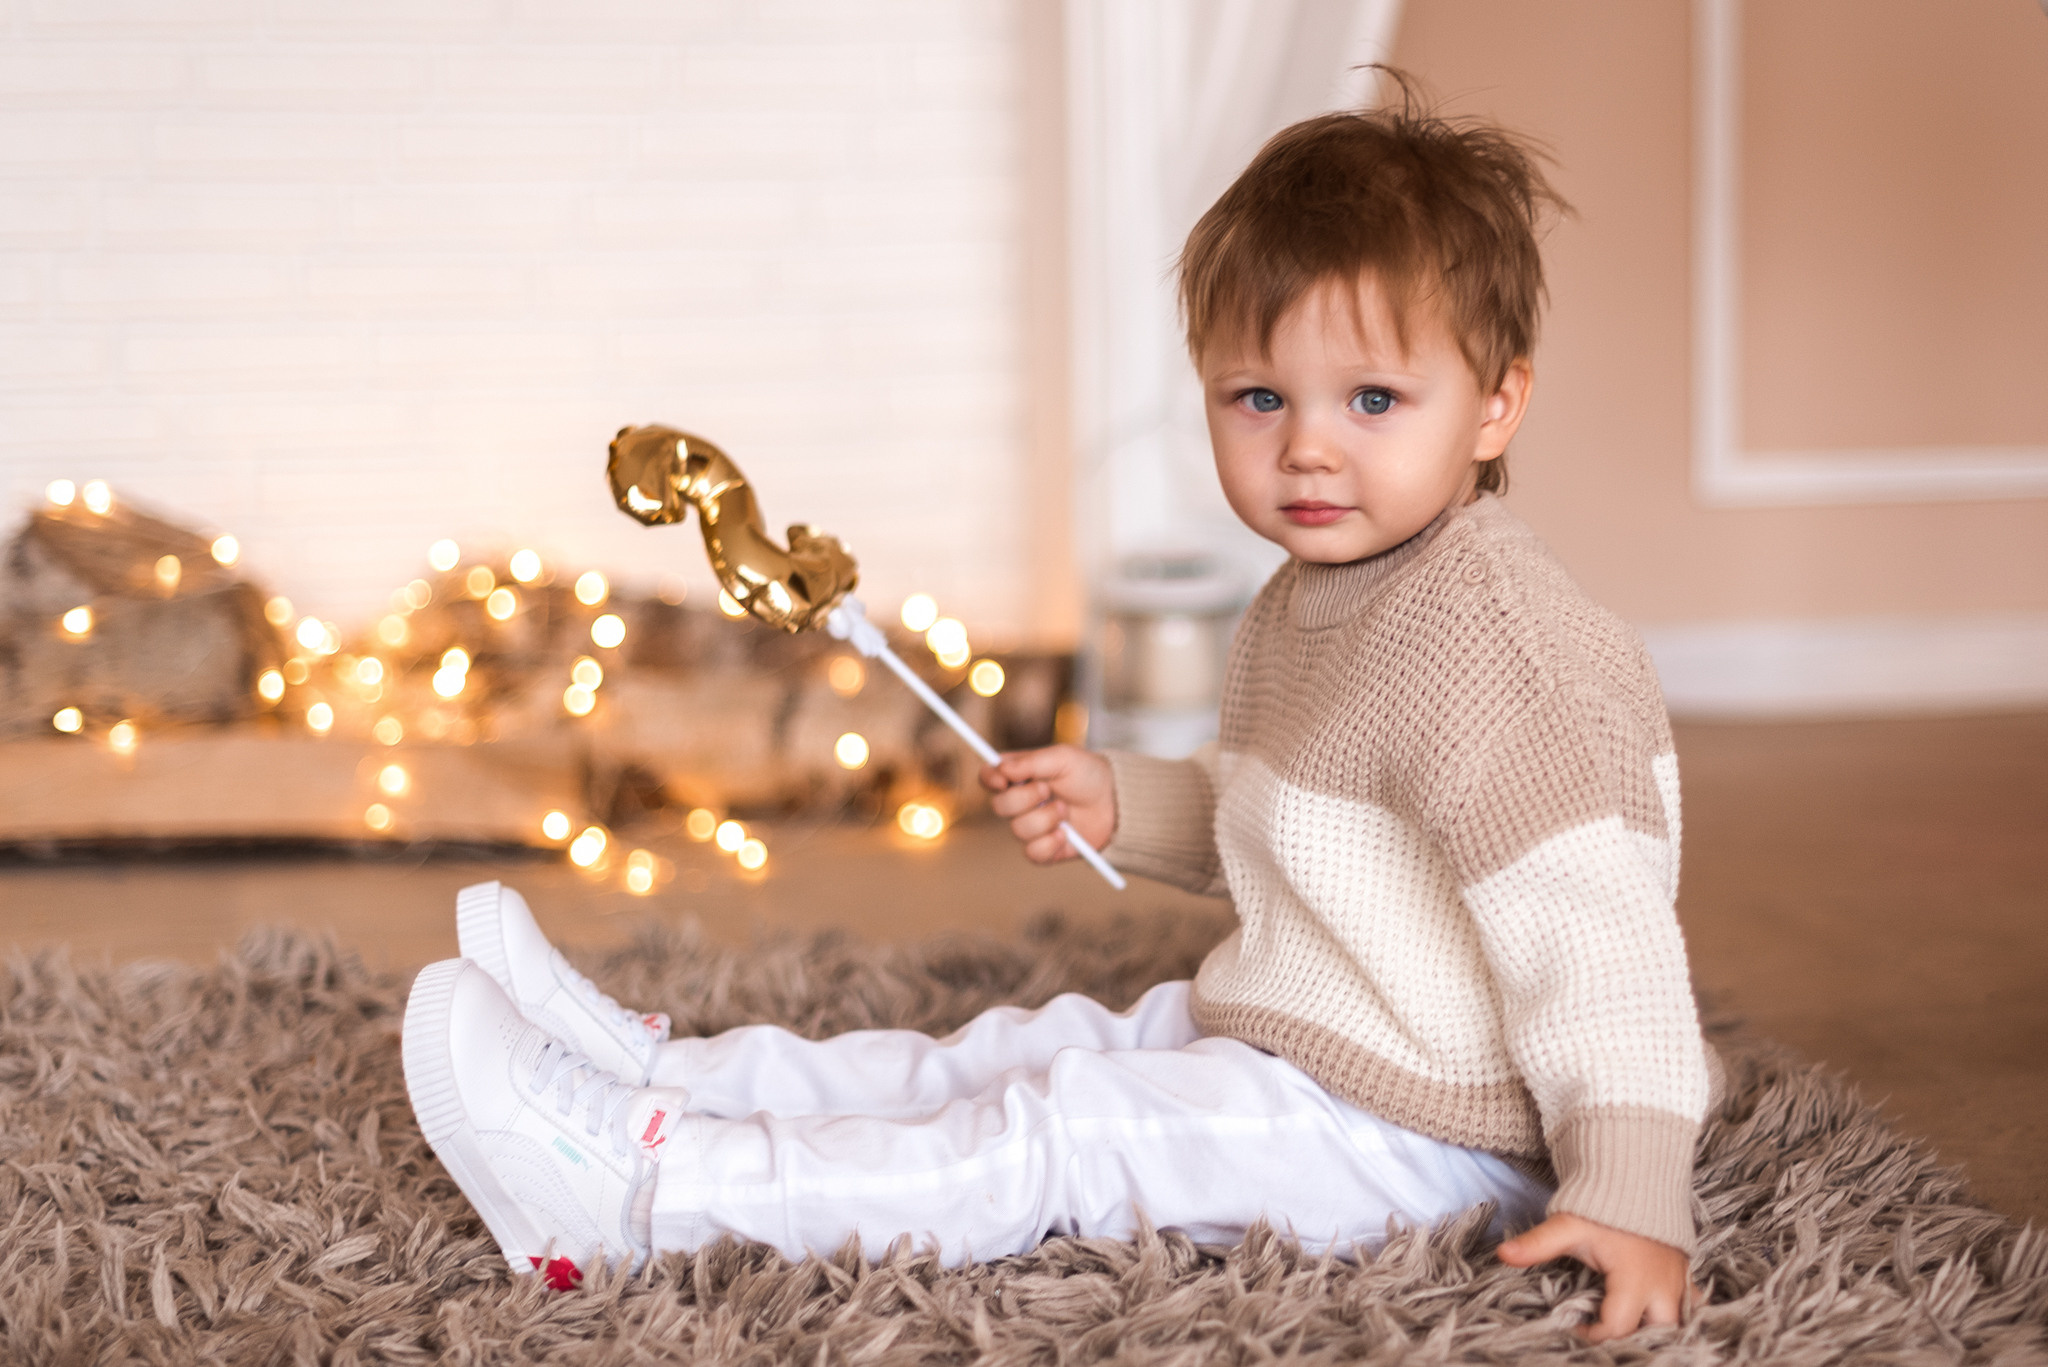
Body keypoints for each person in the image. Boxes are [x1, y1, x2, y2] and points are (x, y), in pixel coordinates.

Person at [401, 80, 1717, 1342]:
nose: (1308, 447)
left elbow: (1599, 943)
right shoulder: (1321, 592)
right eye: (1259, 398)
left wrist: (1632, 1184)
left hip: (1440, 1132)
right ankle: (669, 1085)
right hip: (1319, 1036)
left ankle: (654, 1195)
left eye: (1373, 400)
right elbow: (1304, 825)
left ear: (1497, 404)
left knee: (1069, 1131)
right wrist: (1124, 797)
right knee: (1022, 1053)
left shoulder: (1495, 637)